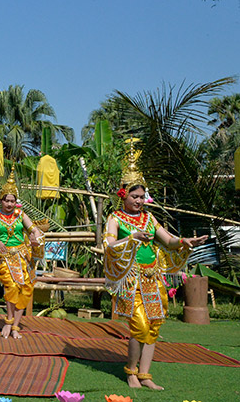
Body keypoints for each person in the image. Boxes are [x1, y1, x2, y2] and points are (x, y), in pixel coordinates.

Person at [104, 149, 207, 390]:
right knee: (139, 325)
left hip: (153, 277)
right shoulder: (115, 218)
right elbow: (108, 245)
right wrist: (132, 239)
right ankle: (131, 371)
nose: (140, 201)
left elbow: (167, 240)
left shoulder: (149, 218)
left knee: (154, 325)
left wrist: (184, 242)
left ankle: (145, 374)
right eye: (135, 196)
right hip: (131, 279)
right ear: (123, 195)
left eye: (142, 197)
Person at [0, 167, 44, 339]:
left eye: (12, 201)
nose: (9, 204)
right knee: (11, 286)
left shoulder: (21, 214)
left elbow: (35, 230)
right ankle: (9, 321)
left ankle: (16, 326)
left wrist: (34, 239)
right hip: (5, 257)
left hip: (23, 256)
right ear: (1, 200)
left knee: (25, 289)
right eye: (6, 200)